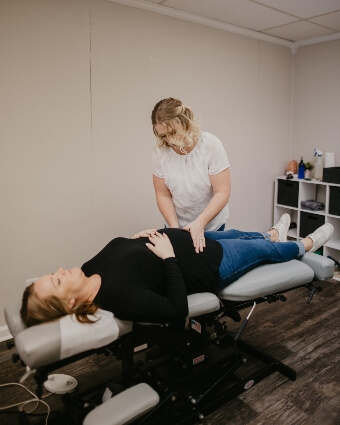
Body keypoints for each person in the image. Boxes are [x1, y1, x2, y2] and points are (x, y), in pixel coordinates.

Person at [20, 215, 334, 327]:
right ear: (70, 303)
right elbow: (175, 309)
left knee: (241, 233)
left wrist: (136, 238)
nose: (61, 270)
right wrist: (169, 257)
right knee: (264, 252)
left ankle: (272, 232)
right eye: (58, 280)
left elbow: (128, 256)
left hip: (192, 239)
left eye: (54, 272)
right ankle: (304, 244)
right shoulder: (118, 297)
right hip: (211, 265)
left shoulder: (88, 270)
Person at [151, 97, 231, 253]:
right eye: (162, 135)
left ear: (184, 123)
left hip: (212, 225)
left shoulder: (210, 145)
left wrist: (199, 223)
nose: (168, 140)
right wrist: (175, 231)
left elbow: (222, 192)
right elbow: (162, 194)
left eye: (172, 132)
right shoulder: (160, 152)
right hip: (177, 224)